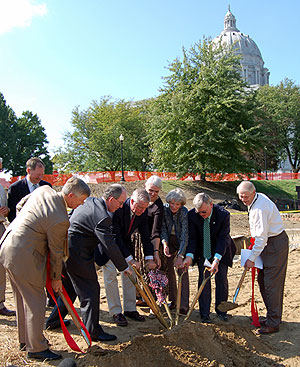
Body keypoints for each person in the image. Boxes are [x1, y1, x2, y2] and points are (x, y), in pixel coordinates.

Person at [0, 177, 90, 361]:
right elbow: (56, 252)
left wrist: (25, 223)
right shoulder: (60, 219)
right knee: (36, 301)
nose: (81, 205)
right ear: (71, 195)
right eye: (80, 201)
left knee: (22, 298)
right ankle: (37, 348)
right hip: (24, 255)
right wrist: (56, 278)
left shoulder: (44, 191)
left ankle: (26, 340)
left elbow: (20, 204)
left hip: (7, 246)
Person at [46, 184, 131, 342]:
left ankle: (54, 320)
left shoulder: (90, 202)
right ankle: (93, 331)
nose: (120, 207)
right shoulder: (101, 216)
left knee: (71, 288)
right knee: (90, 290)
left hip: (66, 249)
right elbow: (108, 244)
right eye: (120, 203)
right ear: (111, 199)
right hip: (77, 253)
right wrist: (124, 266)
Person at [236, 181, 289, 334]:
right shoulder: (256, 199)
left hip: (274, 245)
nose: (243, 199)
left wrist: (251, 258)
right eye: (240, 196)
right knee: (263, 281)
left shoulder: (260, 208)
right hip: (268, 244)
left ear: (253, 193)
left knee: (271, 284)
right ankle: (273, 316)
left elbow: (261, 239)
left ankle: (273, 322)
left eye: (245, 196)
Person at [99, 188, 156, 326]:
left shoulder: (142, 212)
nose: (142, 211)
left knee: (131, 275)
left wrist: (149, 257)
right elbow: (116, 237)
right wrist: (129, 258)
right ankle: (116, 311)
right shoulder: (117, 209)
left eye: (145, 208)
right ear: (131, 202)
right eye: (140, 207)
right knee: (111, 276)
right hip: (109, 246)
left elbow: (145, 235)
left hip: (125, 245)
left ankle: (130, 309)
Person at [183, 193, 236, 323]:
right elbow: (193, 238)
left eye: (204, 212)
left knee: (221, 279)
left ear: (211, 204)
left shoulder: (223, 215)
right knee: (203, 280)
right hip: (203, 250)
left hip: (221, 250)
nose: (202, 215)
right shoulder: (192, 215)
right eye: (199, 212)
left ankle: (221, 310)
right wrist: (189, 255)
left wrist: (216, 260)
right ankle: (204, 313)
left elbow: (223, 239)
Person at [135, 176, 164, 307]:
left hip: (151, 241)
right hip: (136, 239)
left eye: (156, 191)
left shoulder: (158, 206)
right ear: (145, 187)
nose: (153, 194)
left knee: (151, 271)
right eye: (150, 190)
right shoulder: (138, 198)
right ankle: (141, 297)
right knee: (138, 271)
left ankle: (154, 301)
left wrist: (155, 252)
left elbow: (156, 231)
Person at [161, 188, 189, 314]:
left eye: (177, 204)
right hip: (169, 240)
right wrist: (164, 243)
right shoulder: (165, 209)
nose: (174, 206)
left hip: (181, 241)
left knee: (182, 270)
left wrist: (181, 255)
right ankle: (173, 300)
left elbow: (184, 235)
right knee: (169, 270)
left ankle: (183, 304)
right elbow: (163, 229)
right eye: (172, 203)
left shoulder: (184, 212)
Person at [7, 157, 52, 222]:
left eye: (42, 174)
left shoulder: (47, 186)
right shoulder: (15, 188)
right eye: (38, 174)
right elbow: (12, 214)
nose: (40, 177)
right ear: (28, 171)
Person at [0, 158, 16, 317]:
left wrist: (6, 210)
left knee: (1, 268)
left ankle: (0, 302)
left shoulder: (0, 187)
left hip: (0, 226)